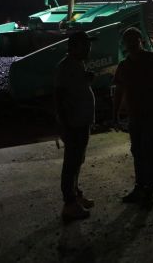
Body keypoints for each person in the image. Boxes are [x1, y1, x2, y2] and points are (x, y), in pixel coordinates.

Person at [113, 27, 153, 209]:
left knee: (147, 149)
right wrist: (115, 113)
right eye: (129, 41)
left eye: (134, 40)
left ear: (140, 41)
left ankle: (148, 188)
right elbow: (118, 91)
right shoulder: (125, 66)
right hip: (136, 114)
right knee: (137, 150)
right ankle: (141, 186)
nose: (132, 44)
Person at [54, 31, 97, 222]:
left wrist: (86, 80)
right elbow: (59, 97)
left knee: (77, 160)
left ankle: (75, 193)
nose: (89, 48)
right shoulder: (65, 66)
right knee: (71, 163)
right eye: (85, 45)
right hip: (74, 124)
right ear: (75, 46)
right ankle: (69, 204)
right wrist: (64, 125)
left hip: (81, 122)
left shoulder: (78, 65)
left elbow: (75, 90)